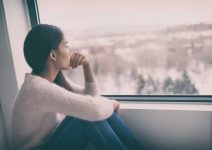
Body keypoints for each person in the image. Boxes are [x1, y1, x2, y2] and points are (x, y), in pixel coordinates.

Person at [11, 24, 146, 150]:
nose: (69, 51)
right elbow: (94, 110)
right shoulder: (37, 89)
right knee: (87, 116)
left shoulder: (51, 81)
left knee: (91, 111)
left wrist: (87, 66)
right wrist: (112, 103)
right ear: (53, 54)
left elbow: (92, 99)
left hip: (51, 143)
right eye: (66, 46)